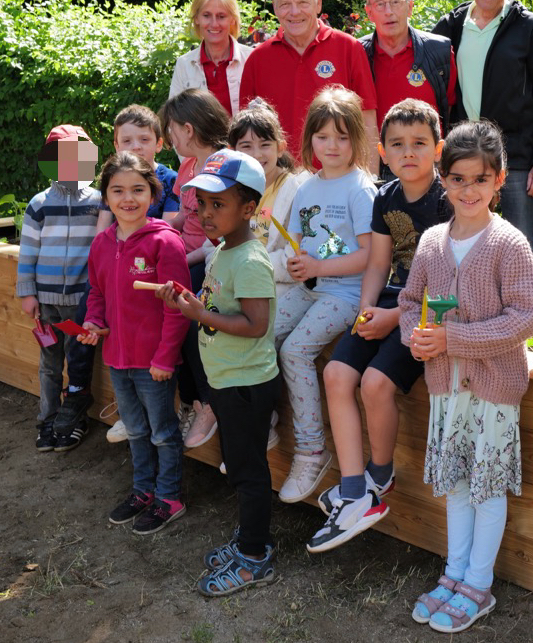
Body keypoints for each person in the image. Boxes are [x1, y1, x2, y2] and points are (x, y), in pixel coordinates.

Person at [398, 120, 533, 633]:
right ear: (443, 178)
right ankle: (454, 574)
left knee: (486, 487)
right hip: (446, 388)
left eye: (480, 179)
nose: (468, 190)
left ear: (499, 179)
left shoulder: (509, 243)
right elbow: (410, 303)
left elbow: (526, 316)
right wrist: (416, 336)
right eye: (457, 179)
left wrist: (454, 339)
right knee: (456, 483)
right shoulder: (434, 241)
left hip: (494, 389)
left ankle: (478, 585)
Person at [309, 99, 451, 552]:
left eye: (419, 144)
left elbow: (450, 285)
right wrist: (367, 310)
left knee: (373, 383)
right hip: (391, 299)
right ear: (382, 152)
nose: (408, 153)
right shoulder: (385, 196)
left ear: (438, 149)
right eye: (397, 145)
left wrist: (395, 317)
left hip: (430, 311)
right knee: (336, 373)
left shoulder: (450, 199)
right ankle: (354, 487)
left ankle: (380, 475)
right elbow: (378, 262)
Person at [159, 150, 281, 595]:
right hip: (228, 382)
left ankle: (255, 557)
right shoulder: (223, 251)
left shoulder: (250, 260)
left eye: (218, 205)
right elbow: (215, 306)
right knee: (240, 469)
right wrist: (189, 305)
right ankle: (250, 540)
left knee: (249, 474)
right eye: (202, 204)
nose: (205, 214)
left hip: (246, 384)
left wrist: (199, 316)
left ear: (248, 209)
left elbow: (256, 325)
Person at [273, 85, 377, 504]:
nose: (331, 145)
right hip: (309, 288)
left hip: (346, 295)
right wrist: (298, 263)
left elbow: (370, 256)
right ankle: (261, 424)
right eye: (322, 136)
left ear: (356, 138)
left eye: (342, 136)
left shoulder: (361, 188)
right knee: (261, 335)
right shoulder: (306, 187)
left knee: (295, 351)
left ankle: (312, 450)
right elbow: (296, 243)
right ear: (309, 139)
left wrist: (316, 267)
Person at [77, 152, 190, 534]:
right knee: (137, 430)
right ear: (105, 196)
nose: (128, 198)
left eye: (138, 189)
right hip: (117, 359)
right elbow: (97, 293)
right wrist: (94, 321)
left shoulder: (165, 243)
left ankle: (169, 497)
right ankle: (143, 490)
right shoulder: (102, 244)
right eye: (118, 190)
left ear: (153, 193)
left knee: (162, 431)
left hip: (153, 363)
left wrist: (164, 357)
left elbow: (179, 308)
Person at [432, 0, 533, 249]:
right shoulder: (450, 27)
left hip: (516, 160)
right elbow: (435, 93)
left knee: (522, 247)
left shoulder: (529, 27)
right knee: (462, 244)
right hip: (463, 159)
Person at [17, 124, 104, 452]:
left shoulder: (98, 203)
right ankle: (48, 420)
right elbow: (28, 250)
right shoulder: (39, 204)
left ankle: (75, 420)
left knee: (79, 364)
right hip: (48, 304)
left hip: (82, 304)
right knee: (50, 364)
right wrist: (27, 293)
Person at [237, 0, 378, 161]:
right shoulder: (257, 59)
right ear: (275, 7)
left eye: (303, 2)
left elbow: (367, 120)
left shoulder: (348, 48)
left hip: (339, 178)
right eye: (285, 4)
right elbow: (246, 132)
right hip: (278, 182)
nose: (294, 12)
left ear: (318, 3)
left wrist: (370, 180)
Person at [157, 88, 232, 450]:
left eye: (171, 129)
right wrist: (147, 230)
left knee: (186, 309)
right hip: (185, 255)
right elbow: (181, 217)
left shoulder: (224, 164)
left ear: (188, 129)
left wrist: (181, 262)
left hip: (213, 257)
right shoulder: (187, 166)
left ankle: (208, 403)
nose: (170, 137)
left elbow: (220, 234)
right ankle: (182, 400)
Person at [228, 100, 309, 305]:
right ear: (232, 151)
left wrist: (248, 268)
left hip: (278, 283)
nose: (257, 154)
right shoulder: (230, 189)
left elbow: (294, 256)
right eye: (246, 146)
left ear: (280, 147)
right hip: (234, 275)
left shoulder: (297, 190)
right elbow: (215, 243)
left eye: (265, 145)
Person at [357, 0, 456, 132]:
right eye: (380, 4)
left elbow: (449, 108)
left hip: (427, 154)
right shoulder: (357, 54)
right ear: (369, 13)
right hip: (374, 155)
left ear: (410, 7)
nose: (388, 11)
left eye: (396, 2)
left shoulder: (439, 51)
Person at [169, 0, 252, 116]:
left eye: (221, 16)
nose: (214, 24)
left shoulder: (251, 59)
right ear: (196, 18)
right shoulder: (184, 65)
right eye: (206, 15)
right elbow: (174, 118)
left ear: (232, 19)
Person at [113, 104, 180, 219]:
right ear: (117, 147)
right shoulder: (111, 180)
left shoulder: (171, 180)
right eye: (127, 141)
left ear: (158, 144)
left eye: (144, 140)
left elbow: (169, 229)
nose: (136, 147)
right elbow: (103, 226)